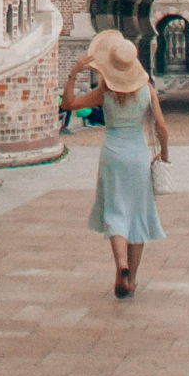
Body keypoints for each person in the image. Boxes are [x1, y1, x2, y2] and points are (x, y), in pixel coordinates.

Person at [61, 31, 169, 300]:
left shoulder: (104, 92)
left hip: (112, 153)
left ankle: (120, 264)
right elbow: (162, 127)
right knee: (139, 214)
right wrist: (164, 154)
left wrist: (73, 74)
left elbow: (69, 104)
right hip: (138, 154)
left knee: (116, 209)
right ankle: (131, 278)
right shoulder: (147, 90)